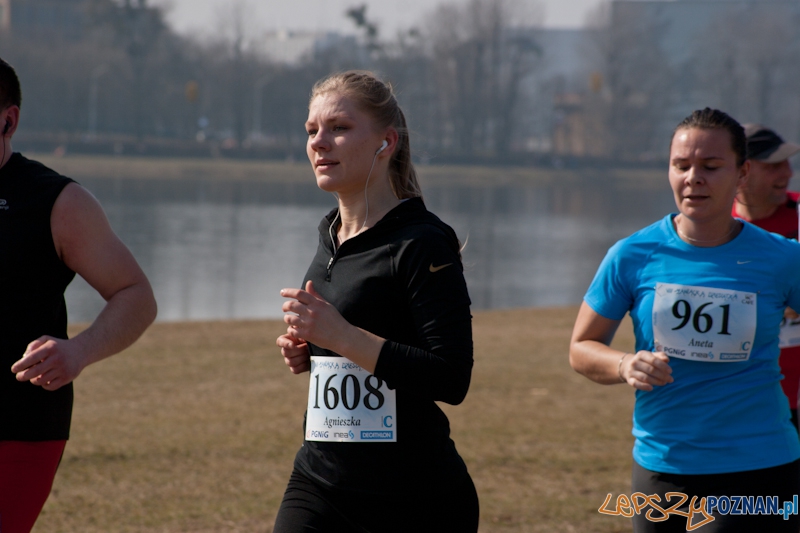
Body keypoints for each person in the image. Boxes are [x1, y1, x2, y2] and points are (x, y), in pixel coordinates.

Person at [569, 108, 800, 532]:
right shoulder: (631, 255)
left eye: (711, 167)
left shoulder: (783, 257)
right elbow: (582, 348)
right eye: (682, 165)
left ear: (742, 173)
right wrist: (624, 364)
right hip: (662, 465)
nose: (694, 177)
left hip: (759, 463)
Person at [273, 71, 478, 532]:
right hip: (319, 481)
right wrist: (311, 351)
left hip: (414, 496)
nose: (319, 142)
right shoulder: (330, 234)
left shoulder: (421, 242)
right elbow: (355, 344)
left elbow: (451, 377)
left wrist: (341, 337)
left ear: (386, 142)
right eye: (311, 131)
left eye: (339, 128)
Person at [0, 57, 157, 533]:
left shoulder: (58, 202)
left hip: (18, 427)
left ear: (8, 120)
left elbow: (136, 295)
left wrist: (79, 351)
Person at [732, 123, 800, 430]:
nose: (787, 173)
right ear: (743, 171)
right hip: (741, 401)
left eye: (787, 163)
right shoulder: (711, 227)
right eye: (774, 165)